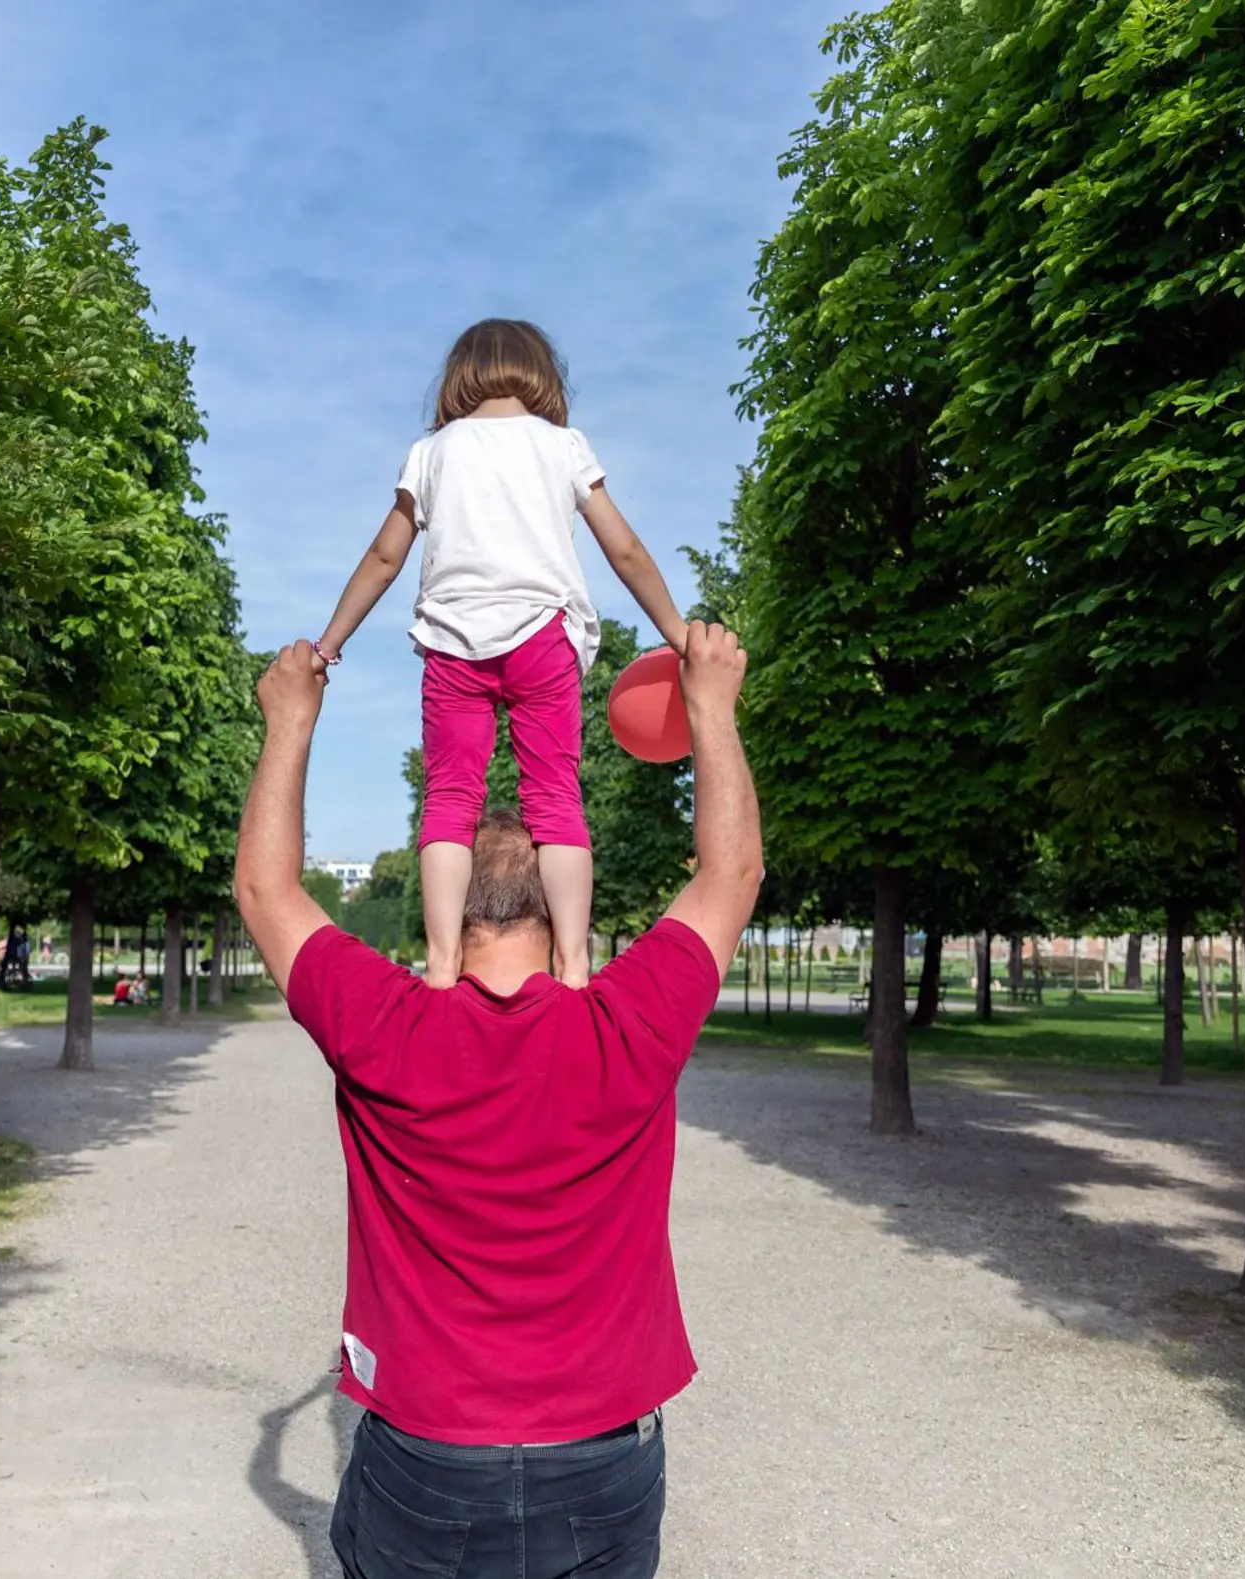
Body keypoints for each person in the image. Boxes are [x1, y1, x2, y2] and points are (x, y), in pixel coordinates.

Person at [235, 624, 760, 1579]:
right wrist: (713, 712)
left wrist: (290, 720)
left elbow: (267, 889)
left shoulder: (387, 1027)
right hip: (603, 1458)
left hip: (427, 1459)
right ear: (564, 911)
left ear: (446, 908)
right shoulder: (627, 1024)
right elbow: (730, 873)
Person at [310, 320, 693, 991]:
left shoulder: (431, 452)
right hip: (542, 635)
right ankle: (574, 965)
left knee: (450, 799)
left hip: (453, 642)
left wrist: (329, 643)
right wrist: (678, 631)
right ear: (544, 376)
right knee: (555, 797)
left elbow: (384, 556)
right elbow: (623, 549)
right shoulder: (562, 446)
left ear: (459, 376)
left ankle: (441, 964)